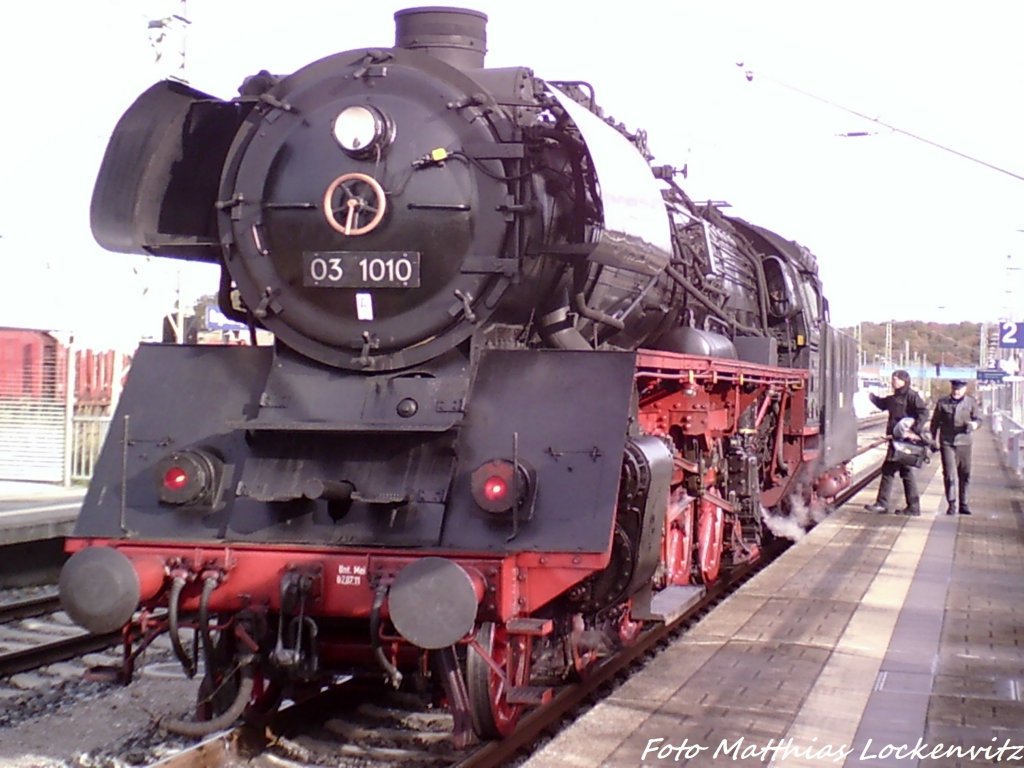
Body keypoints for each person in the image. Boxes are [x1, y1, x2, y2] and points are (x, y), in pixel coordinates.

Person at [864, 369, 929, 515]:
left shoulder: (912, 396)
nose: (893, 381)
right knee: (901, 472)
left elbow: (923, 413)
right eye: (893, 378)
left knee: (893, 471)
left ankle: (885, 504)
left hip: (904, 442)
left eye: (895, 379)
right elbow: (882, 404)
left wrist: (913, 429)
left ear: (903, 380)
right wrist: (870, 396)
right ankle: (911, 507)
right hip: (895, 441)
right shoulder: (894, 397)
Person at [928, 379, 982, 515]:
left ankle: (964, 504)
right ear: (951, 389)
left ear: (965, 389)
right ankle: (951, 504)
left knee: (965, 474)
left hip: (965, 442)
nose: (956, 391)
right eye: (954, 389)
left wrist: (974, 425)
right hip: (947, 442)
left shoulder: (971, 402)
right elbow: (934, 423)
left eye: (959, 389)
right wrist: (932, 440)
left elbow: (979, 419)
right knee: (949, 474)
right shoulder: (942, 402)